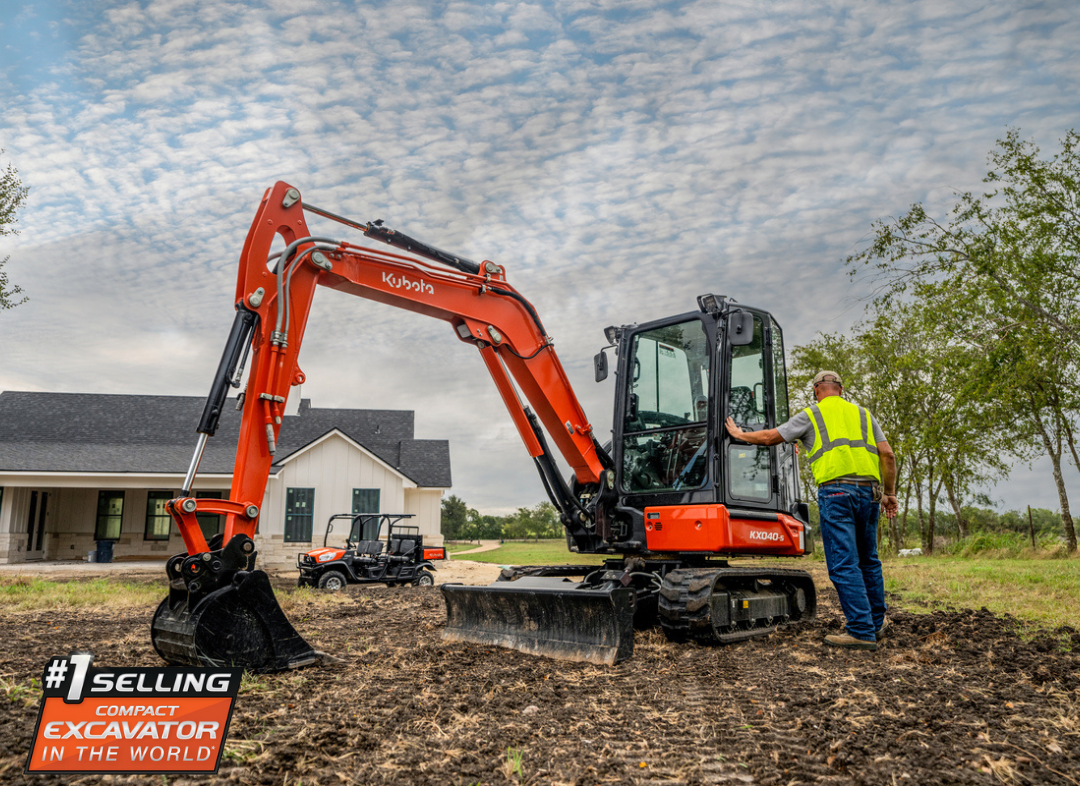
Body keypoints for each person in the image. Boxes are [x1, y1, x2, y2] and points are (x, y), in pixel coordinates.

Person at [724, 370, 898, 651]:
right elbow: (888, 455)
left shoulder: (812, 415)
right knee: (869, 561)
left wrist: (739, 434)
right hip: (870, 494)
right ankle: (877, 624)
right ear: (841, 389)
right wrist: (889, 494)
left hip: (837, 493)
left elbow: (771, 437)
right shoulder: (864, 415)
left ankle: (861, 631)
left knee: (844, 564)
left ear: (817, 390)